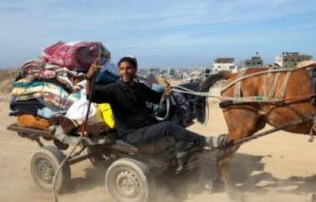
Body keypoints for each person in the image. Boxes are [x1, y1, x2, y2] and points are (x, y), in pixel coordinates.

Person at [86, 56, 226, 152]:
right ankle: (206, 142)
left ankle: (182, 147)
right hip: (130, 134)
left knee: (176, 114)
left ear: (135, 70)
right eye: (122, 69)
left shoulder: (139, 87)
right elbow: (90, 96)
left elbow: (156, 98)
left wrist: (165, 94)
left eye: (129, 68)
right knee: (167, 126)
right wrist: (89, 77)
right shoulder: (112, 89)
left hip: (147, 125)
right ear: (119, 71)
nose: (125, 72)